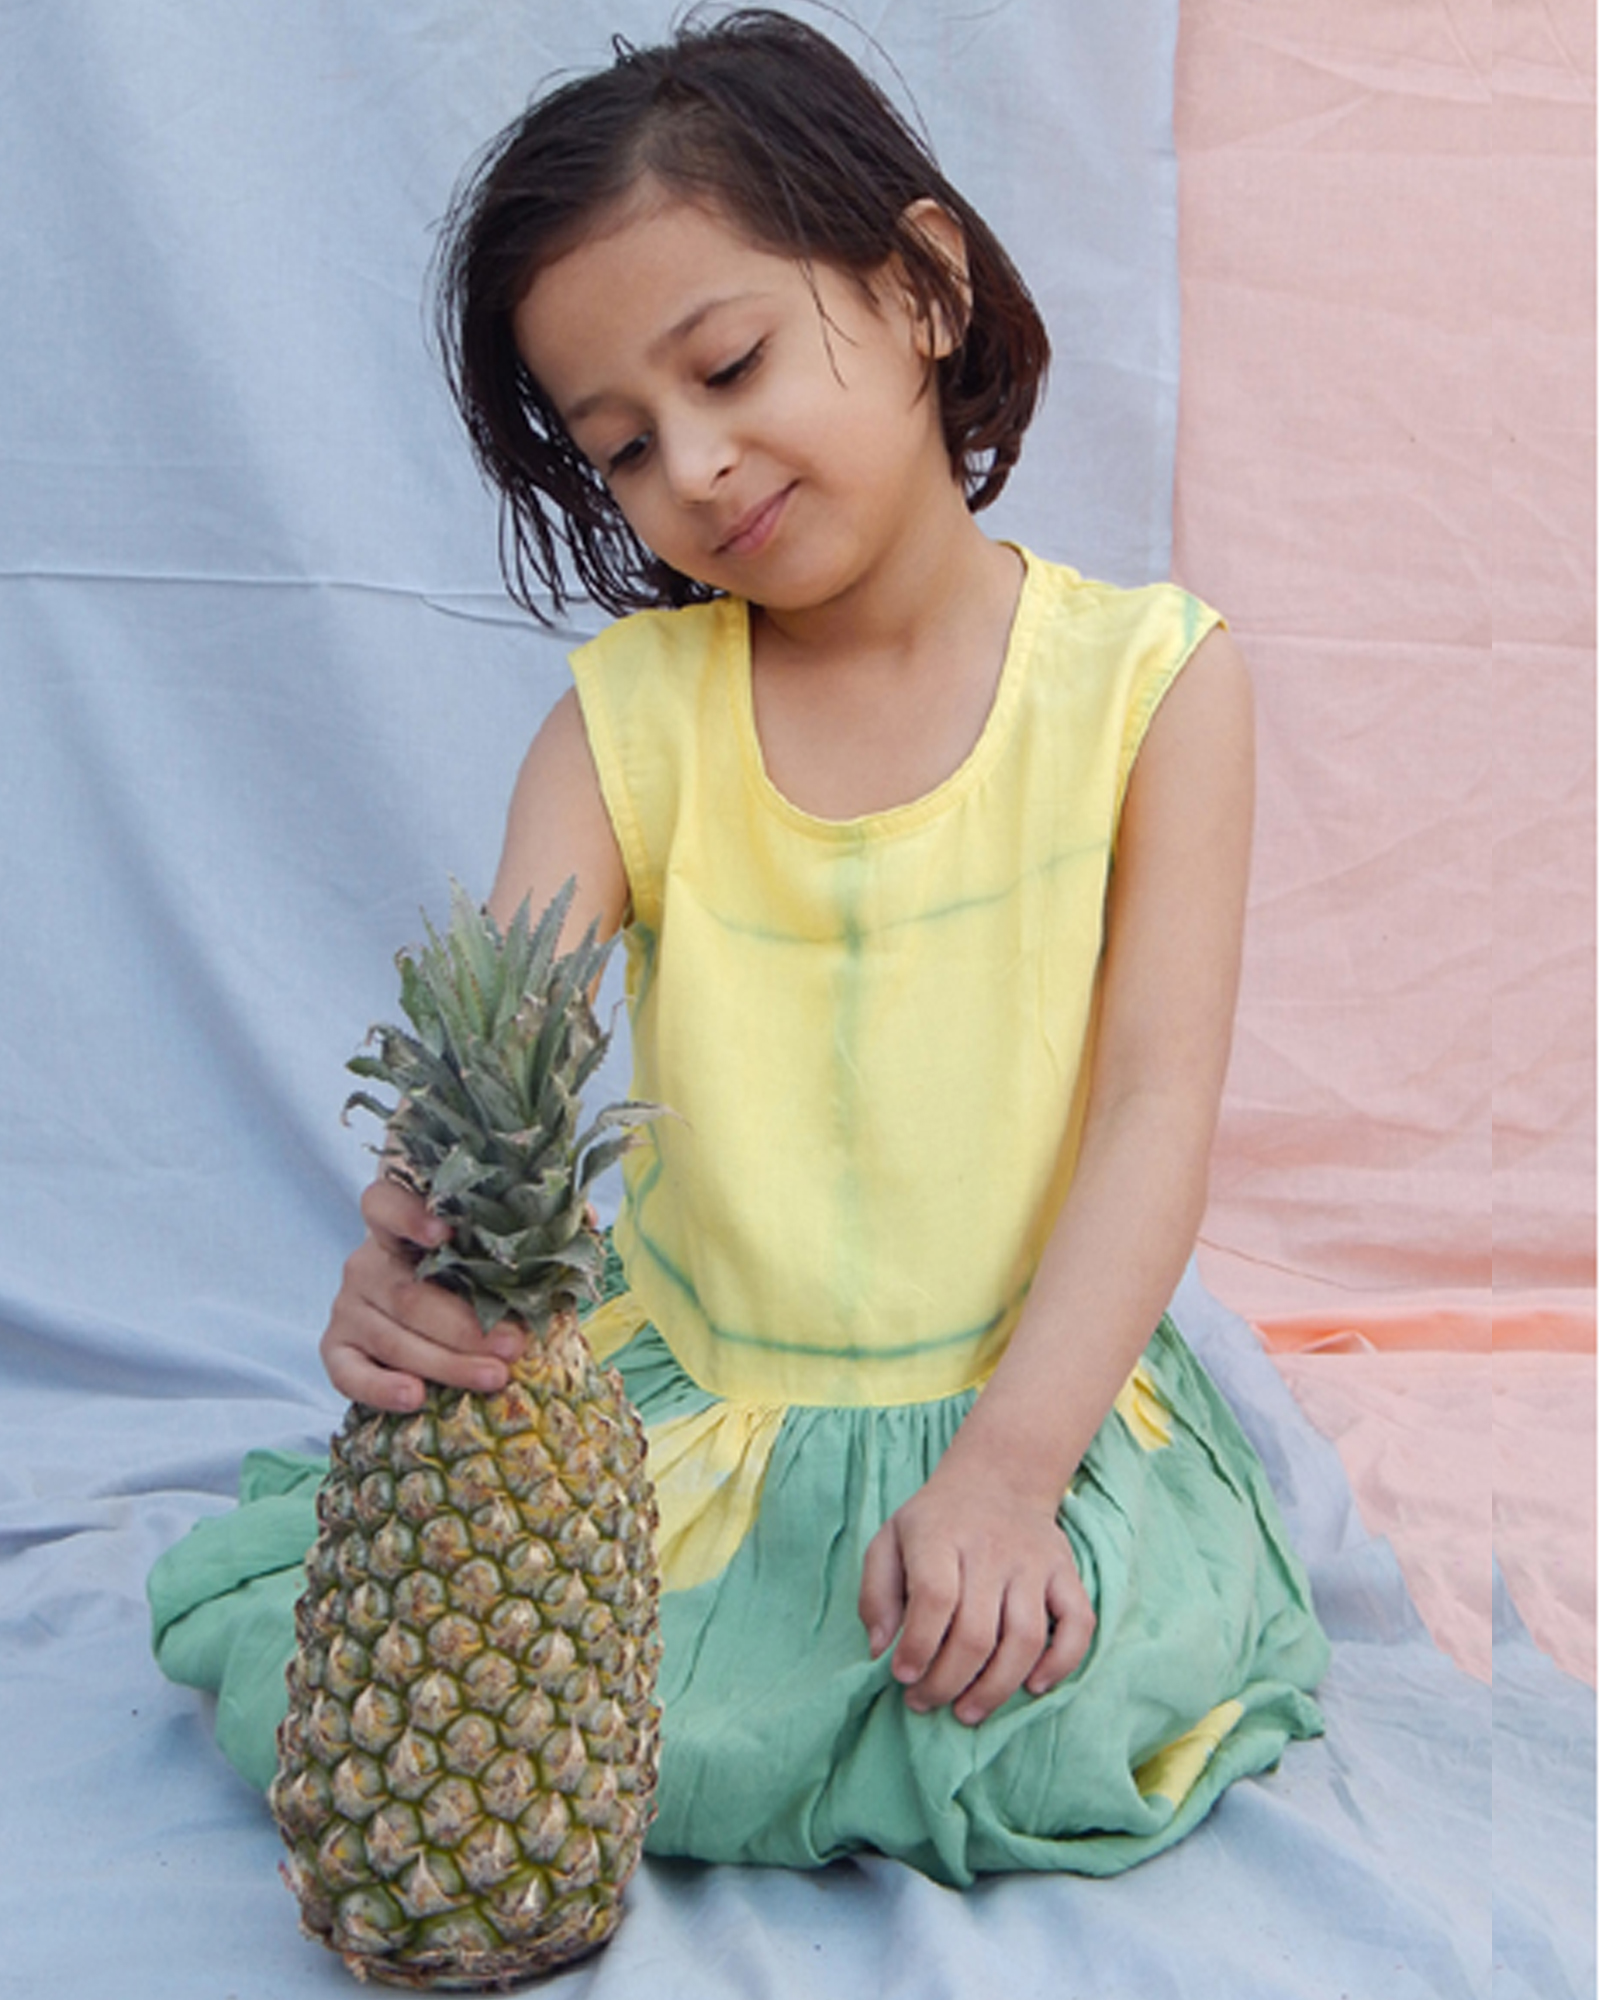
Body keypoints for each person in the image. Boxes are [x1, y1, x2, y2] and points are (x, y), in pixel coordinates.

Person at [150, 8, 1328, 1885]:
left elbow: (1152, 1115)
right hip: (685, 1407)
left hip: (1026, 1387)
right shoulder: (629, 720)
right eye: (621, 445)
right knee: (463, 1712)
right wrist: (414, 1265)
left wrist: (1014, 1476)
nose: (691, 463)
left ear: (927, 285)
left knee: (1058, 1705)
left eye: (730, 362)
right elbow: (497, 1064)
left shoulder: (1150, 687)